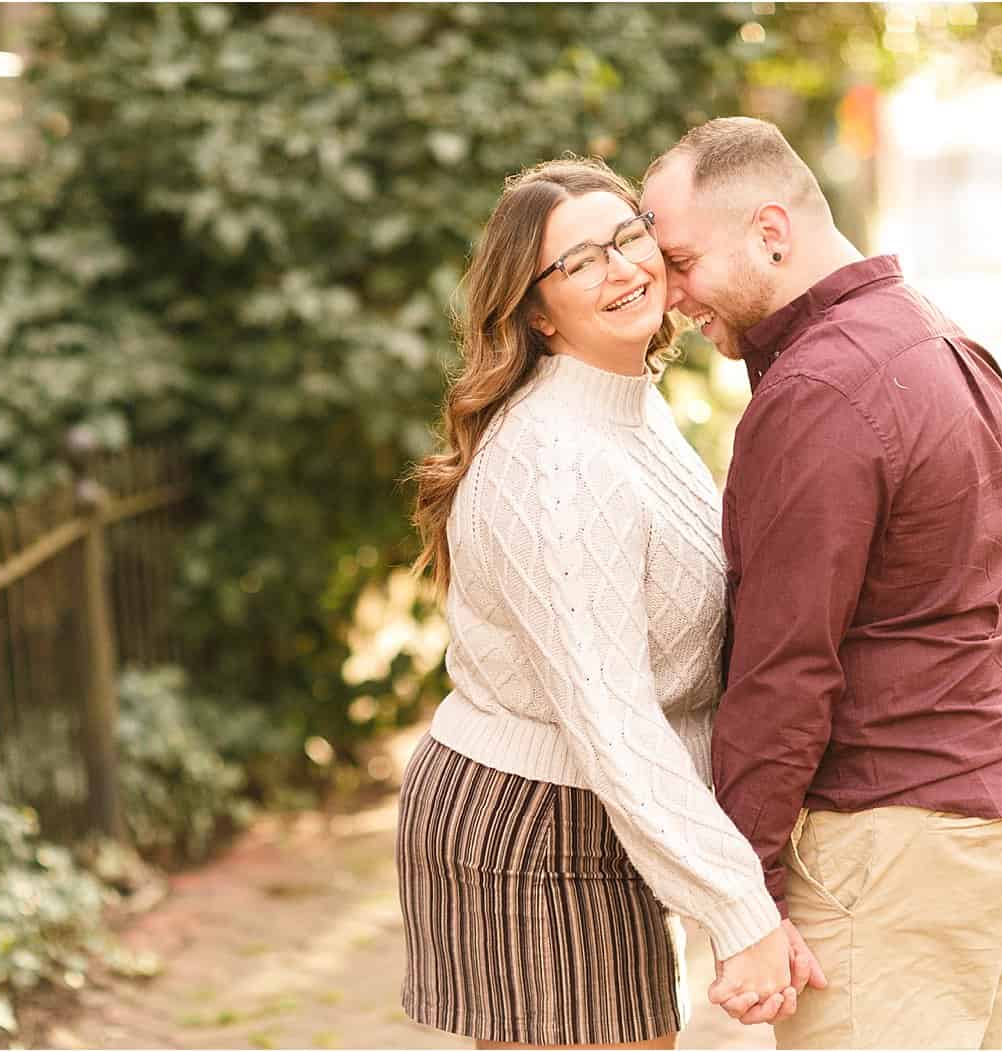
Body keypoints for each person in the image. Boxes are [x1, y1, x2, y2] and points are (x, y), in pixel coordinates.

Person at [640, 117, 1002, 1049]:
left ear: (770, 230)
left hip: (899, 832)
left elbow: (785, 666)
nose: (670, 296)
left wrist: (744, 894)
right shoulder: (935, 333)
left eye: (681, 261)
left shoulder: (819, 390)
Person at [398, 157, 803, 1048]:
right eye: (581, 262)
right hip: (535, 820)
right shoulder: (559, 460)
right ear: (535, 311)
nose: (624, 268)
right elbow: (611, 716)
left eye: (629, 237)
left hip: (589, 804)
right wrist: (741, 912)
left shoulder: (625, 409)